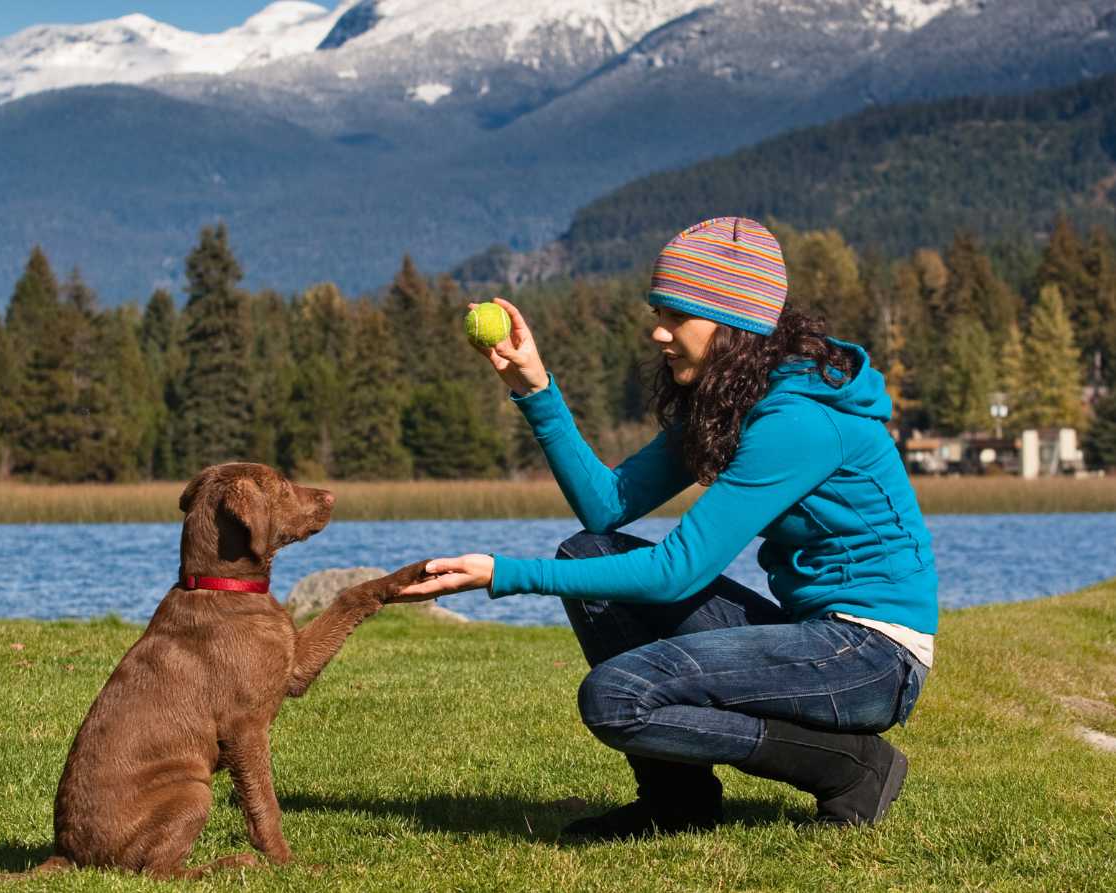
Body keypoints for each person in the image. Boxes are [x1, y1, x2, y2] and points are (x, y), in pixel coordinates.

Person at [399, 217, 936, 840]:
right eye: (660, 311)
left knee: (615, 698)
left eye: (677, 316)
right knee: (588, 557)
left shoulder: (799, 423)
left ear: (733, 323)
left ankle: (851, 768)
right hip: (813, 634)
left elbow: (678, 570)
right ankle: (677, 803)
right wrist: (534, 385)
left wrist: (505, 575)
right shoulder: (734, 401)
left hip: (872, 657)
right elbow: (606, 508)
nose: (658, 331)